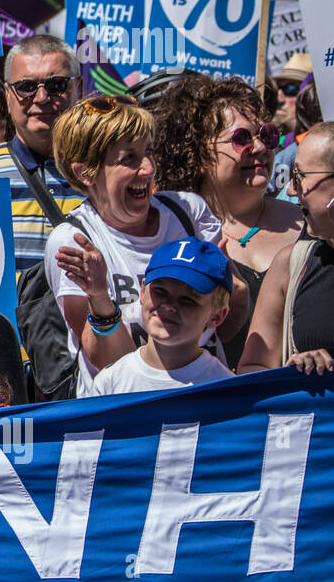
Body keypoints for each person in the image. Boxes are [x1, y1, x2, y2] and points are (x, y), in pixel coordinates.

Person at [45, 95, 248, 395]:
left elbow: (231, 311)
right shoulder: (74, 240)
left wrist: (220, 290)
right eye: (129, 158)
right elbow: (110, 362)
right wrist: (100, 297)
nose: (148, 168)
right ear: (85, 172)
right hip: (126, 410)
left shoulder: (188, 212)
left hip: (201, 396)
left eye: (149, 152)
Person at [151, 74, 302, 368]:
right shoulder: (173, 233)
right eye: (242, 138)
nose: (260, 147)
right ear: (197, 153)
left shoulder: (307, 224)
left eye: (267, 134)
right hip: (220, 405)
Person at [0, 35, 85, 273]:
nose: (41, 98)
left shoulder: (108, 172)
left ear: (79, 88)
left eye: (56, 85)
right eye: (26, 87)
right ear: (8, 95)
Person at [239, 122, 334, 376]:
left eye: (300, 177)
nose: (291, 190)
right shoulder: (292, 264)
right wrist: (292, 370)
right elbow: (252, 371)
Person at [88, 238, 233, 396]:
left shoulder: (227, 391)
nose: (169, 305)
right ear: (143, 292)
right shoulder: (110, 382)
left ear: (217, 316)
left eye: (188, 299)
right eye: (160, 291)